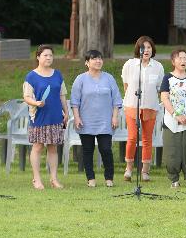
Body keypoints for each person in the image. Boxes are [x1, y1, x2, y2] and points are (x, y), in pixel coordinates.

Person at [71, 50, 122, 188]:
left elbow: (116, 100)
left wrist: (115, 117)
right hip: (86, 121)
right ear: (87, 62)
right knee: (87, 150)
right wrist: (76, 117)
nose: (98, 61)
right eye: (94, 59)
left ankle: (109, 178)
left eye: (100, 58)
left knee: (106, 149)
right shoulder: (80, 79)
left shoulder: (109, 78)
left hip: (105, 121)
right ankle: (90, 178)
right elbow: (75, 101)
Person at [23, 45, 68, 190]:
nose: (48, 58)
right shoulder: (31, 76)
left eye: (50, 55)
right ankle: (36, 179)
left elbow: (62, 95)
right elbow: (26, 97)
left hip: (55, 116)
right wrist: (36, 103)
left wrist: (66, 111)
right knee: (37, 146)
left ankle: (54, 179)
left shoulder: (58, 74)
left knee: (53, 147)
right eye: (45, 55)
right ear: (38, 57)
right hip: (39, 116)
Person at [121, 36, 164, 181]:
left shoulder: (158, 67)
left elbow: (159, 88)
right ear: (138, 49)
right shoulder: (130, 64)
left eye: (149, 47)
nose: (146, 50)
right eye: (143, 48)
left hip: (150, 106)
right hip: (132, 105)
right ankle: (129, 169)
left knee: (147, 139)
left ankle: (145, 171)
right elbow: (126, 85)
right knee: (132, 137)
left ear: (153, 49)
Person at [160, 49, 186, 189]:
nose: (183, 61)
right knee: (172, 151)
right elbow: (164, 98)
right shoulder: (168, 78)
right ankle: (174, 179)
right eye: (180, 58)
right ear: (173, 61)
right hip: (172, 121)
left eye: (185, 58)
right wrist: (176, 115)